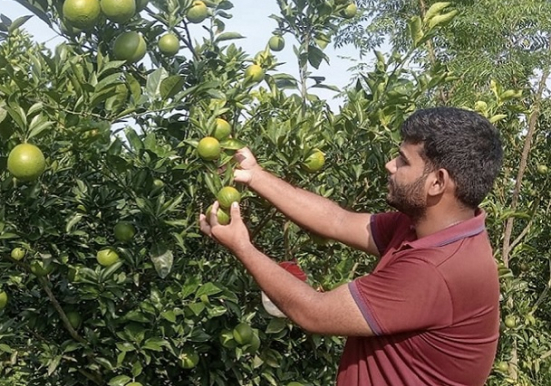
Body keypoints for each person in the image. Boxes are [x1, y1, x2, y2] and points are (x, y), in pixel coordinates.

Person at [200, 107, 504, 386]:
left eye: (403, 160)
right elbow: (337, 221)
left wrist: (242, 247)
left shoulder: (436, 270)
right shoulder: (425, 227)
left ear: (437, 182)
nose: (390, 165)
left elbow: (314, 313)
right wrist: (256, 176)